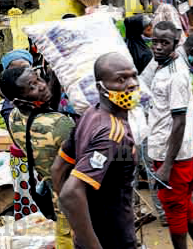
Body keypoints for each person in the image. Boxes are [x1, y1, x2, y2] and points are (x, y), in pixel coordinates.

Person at [139, 25, 193, 249]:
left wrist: (167, 166)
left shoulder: (176, 75)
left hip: (171, 158)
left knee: (175, 212)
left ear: (176, 44)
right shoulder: (163, 69)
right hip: (167, 153)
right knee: (185, 207)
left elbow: (179, 121)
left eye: (165, 43)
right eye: (155, 42)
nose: (159, 47)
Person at [60, 52, 140, 249]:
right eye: (120, 79)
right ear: (100, 87)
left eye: (133, 76)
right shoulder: (111, 133)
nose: (131, 84)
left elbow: (58, 168)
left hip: (93, 231)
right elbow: (70, 193)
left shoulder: (90, 114)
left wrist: (77, 228)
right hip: (111, 238)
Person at [0, 66, 75, 248]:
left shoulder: (15, 118)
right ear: (19, 100)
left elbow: (44, 112)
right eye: (32, 86)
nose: (41, 86)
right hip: (74, 198)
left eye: (39, 79)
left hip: (55, 196)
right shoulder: (60, 125)